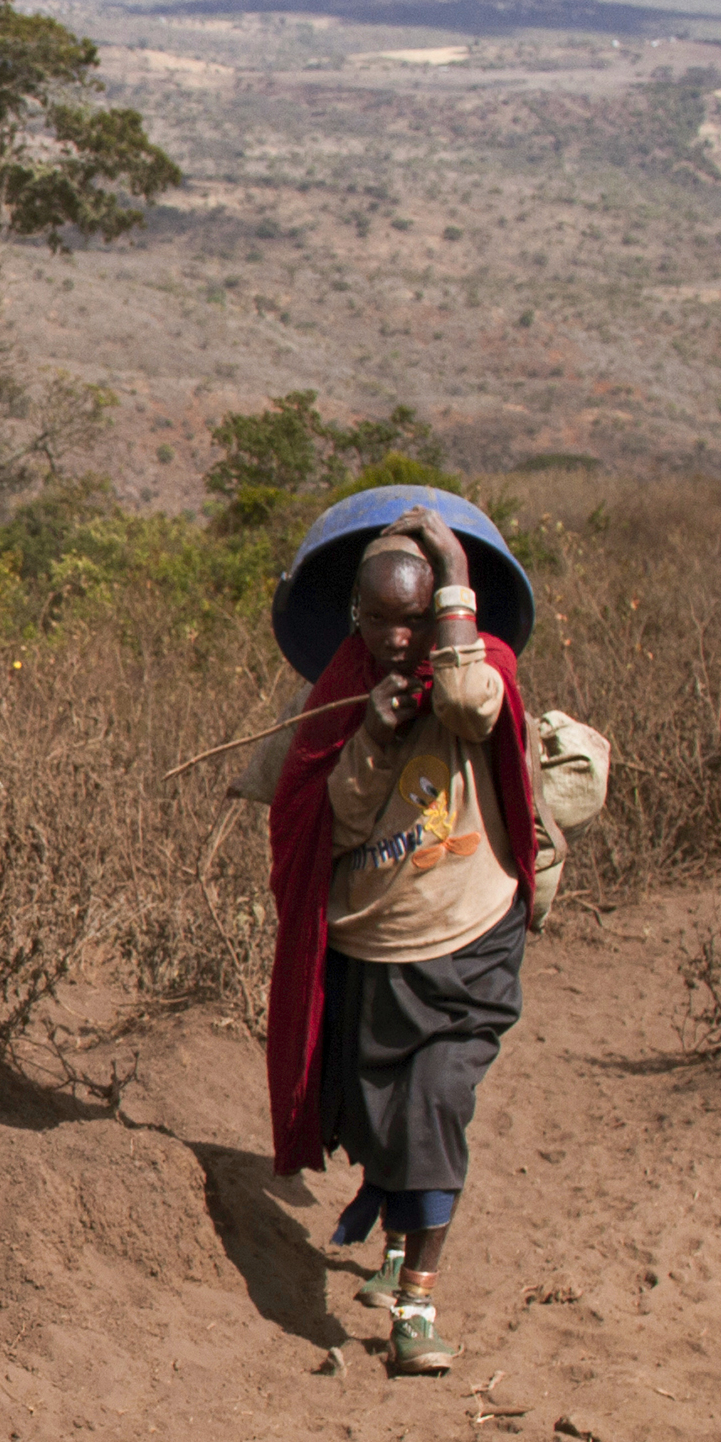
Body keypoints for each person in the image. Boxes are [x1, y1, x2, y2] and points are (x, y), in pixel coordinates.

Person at [260, 509, 538, 1378]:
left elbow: (467, 706)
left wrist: (452, 565)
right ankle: (394, 1231)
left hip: (473, 931)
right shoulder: (341, 694)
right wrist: (372, 734)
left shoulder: (480, 667)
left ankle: (417, 1303)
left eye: (412, 617)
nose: (394, 637)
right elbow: (325, 824)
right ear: (354, 617)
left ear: (445, 606)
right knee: (380, 1119)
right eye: (378, 618)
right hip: (376, 946)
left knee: (436, 1104)